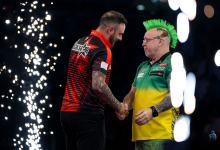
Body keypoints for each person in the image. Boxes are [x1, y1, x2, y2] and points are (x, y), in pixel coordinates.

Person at [60, 10, 129, 150]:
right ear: (110, 29)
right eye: (120, 33)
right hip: (87, 115)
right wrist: (119, 106)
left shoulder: (80, 42)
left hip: (66, 114)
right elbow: (98, 85)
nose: (120, 38)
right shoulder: (103, 49)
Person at [116, 19, 181, 150]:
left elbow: (176, 95)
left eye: (147, 40)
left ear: (160, 41)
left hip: (161, 136)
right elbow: (132, 94)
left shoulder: (173, 63)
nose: (142, 44)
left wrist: (153, 111)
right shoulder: (142, 66)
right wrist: (125, 106)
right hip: (140, 136)